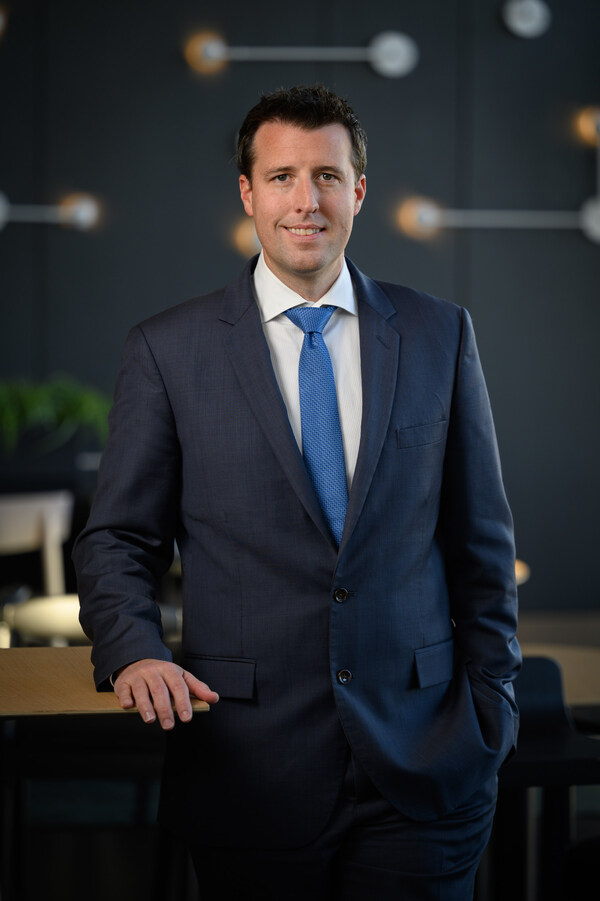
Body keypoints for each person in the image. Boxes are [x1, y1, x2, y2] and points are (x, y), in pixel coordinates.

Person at [73, 83, 521, 900]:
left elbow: (481, 540)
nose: (306, 200)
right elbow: (118, 540)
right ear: (248, 193)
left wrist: (493, 704)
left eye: (326, 176)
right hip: (247, 765)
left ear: (358, 191)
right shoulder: (167, 351)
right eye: (282, 177)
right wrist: (133, 647)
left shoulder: (438, 333)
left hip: (426, 767)